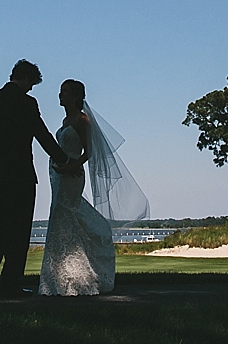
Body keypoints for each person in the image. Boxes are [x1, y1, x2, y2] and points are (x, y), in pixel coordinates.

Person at [39, 79, 149, 296]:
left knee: (67, 212)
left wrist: (72, 165)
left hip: (72, 175)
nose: (60, 96)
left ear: (75, 96)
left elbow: (89, 153)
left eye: (64, 92)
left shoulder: (82, 120)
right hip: (58, 174)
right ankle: (61, 275)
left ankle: (81, 271)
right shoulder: (65, 120)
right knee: (60, 217)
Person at [0, 59, 75, 296]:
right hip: (21, 174)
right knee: (20, 230)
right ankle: (10, 281)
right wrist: (64, 160)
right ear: (26, 78)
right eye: (32, 83)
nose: (32, 88)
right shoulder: (27, 103)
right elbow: (42, 135)